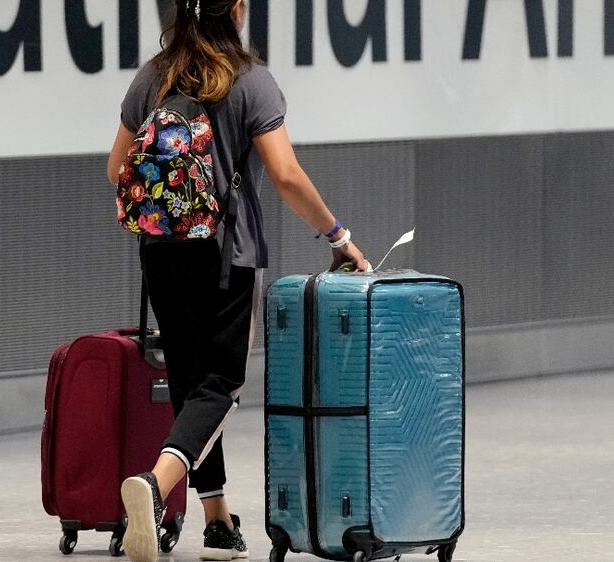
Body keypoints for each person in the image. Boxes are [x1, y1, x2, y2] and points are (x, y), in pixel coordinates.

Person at [106, 1, 370, 561]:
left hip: (159, 250)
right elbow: (286, 174)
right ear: (239, 10)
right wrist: (338, 237)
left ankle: (217, 521)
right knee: (220, 386)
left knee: (190, 382)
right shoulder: (250, 79)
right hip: (225, 253)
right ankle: (154, 487)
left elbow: (116, 169)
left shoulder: (154, 76)